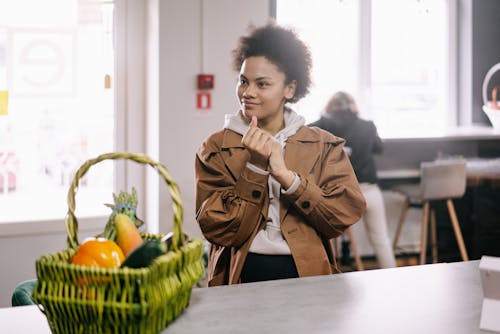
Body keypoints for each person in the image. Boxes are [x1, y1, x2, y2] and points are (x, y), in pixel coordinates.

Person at [195, 22, 366, 286]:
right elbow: (218, 230)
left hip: (307, 275)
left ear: (289, 89)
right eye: (243, 81)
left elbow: (340, 218)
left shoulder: (322, 145)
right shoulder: (215, 147)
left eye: (262, 84)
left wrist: (289, 179)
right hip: (240, 276)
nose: (248, 92)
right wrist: (255, 167)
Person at [309, 91, 397, 268]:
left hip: (337, 194)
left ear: (330, 106)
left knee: (323, 238)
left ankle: (330, 273)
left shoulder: (318, 127)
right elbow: (378, 148)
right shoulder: (367, 126)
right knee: (381, 239)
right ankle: (393, 277)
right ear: (352, 105)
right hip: (368, 190)